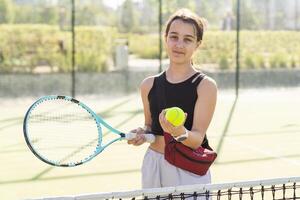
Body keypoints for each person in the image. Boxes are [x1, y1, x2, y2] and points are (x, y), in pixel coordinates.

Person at [128, 8, 217, 189]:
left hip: (188, 169)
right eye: (174, 37)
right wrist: (142, 134)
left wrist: (178, 131)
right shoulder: (148, 85)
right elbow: (150, 126)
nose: (179, 44)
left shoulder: (206, 86)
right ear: (165, 38)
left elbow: (197, 138)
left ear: (197, 45)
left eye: (188, 39)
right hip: (153, 165)